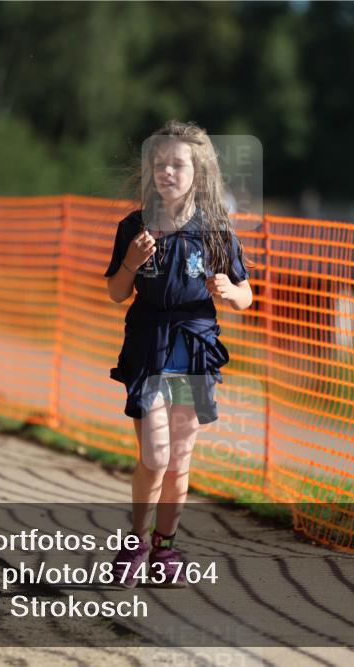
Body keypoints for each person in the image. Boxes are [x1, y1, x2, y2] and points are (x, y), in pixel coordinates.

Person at [104, 120, 253, 588]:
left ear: (199, 172)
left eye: (178, 164)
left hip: (195, 345)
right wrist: (131, 261)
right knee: (155, 455)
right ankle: (137, 542)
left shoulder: (214, 229)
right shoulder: (134, 226)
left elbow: (247, 294)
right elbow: (116, 292)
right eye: (159, 163)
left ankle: (166, 547)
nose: (167, 171)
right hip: (149, 344)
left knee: (180, 459)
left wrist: (230, 290)